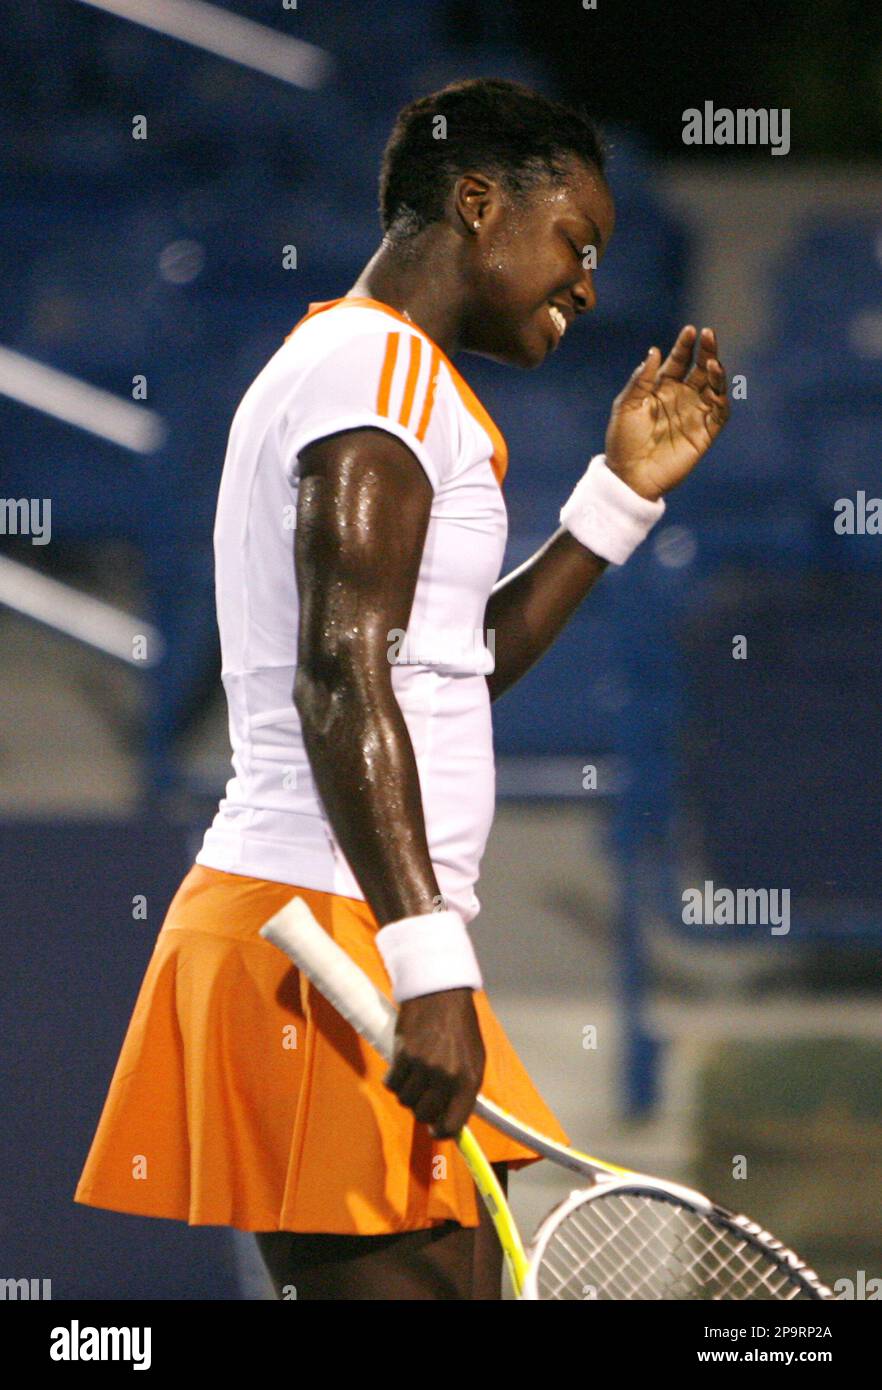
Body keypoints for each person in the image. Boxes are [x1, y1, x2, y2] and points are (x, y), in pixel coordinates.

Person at [74, 77, 729, 1300]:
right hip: (327, 929)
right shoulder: (378, 375)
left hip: (332, 920)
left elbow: (437, 668)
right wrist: (430, 966)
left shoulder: (356, 367)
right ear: (478, 202)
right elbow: (341, 673)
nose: (587, 284)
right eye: (574, 242)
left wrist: (621, 497)